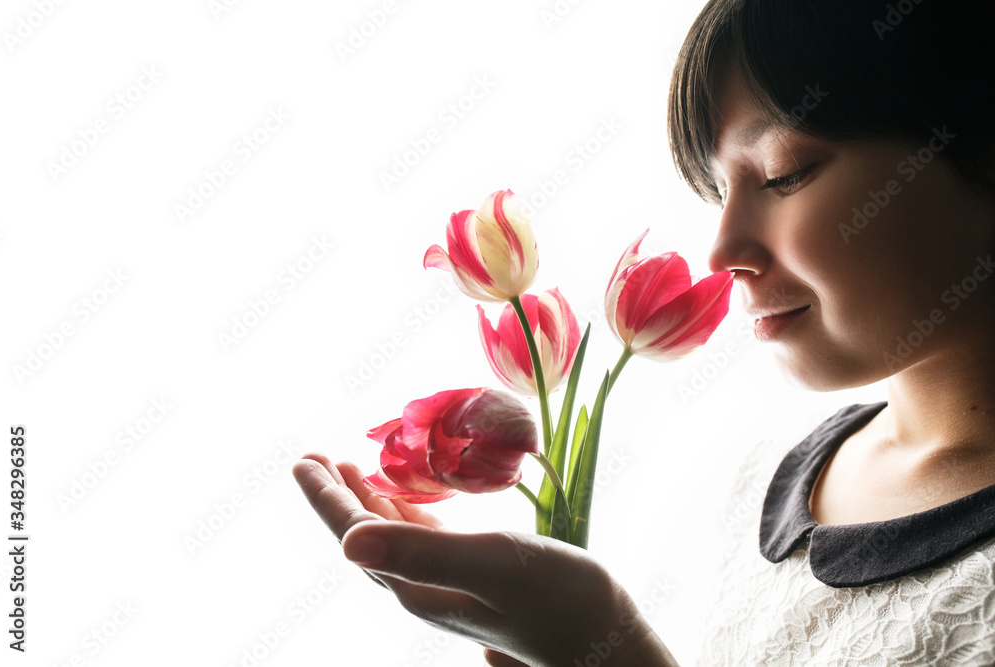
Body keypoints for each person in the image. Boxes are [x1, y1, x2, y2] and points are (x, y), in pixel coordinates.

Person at [292, 0, 995, 664]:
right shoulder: (774, 481)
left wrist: (600, 643)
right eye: (719, 190)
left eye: (785, 173)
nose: (721, 254)